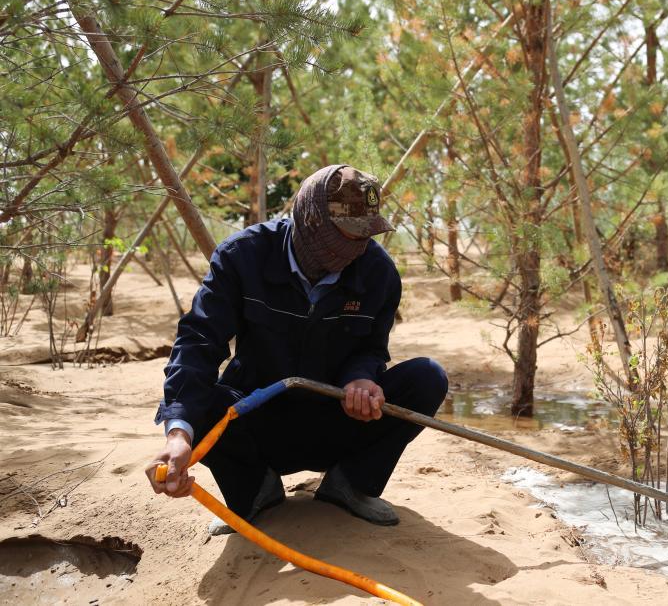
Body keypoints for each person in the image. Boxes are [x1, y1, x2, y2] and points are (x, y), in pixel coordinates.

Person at [144, 164, 448, 534]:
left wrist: (362, 379)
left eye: (366, 234)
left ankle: (350, 484)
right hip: (256, 417)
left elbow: (371, 349)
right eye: (348, 234)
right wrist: (179, 435)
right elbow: (198, 341)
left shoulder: (378, 274)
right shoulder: (243, 257)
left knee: (427, 377)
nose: (358, 247)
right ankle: (254, 490)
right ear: (310, 219)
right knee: (195, 403)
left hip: (337, 419)